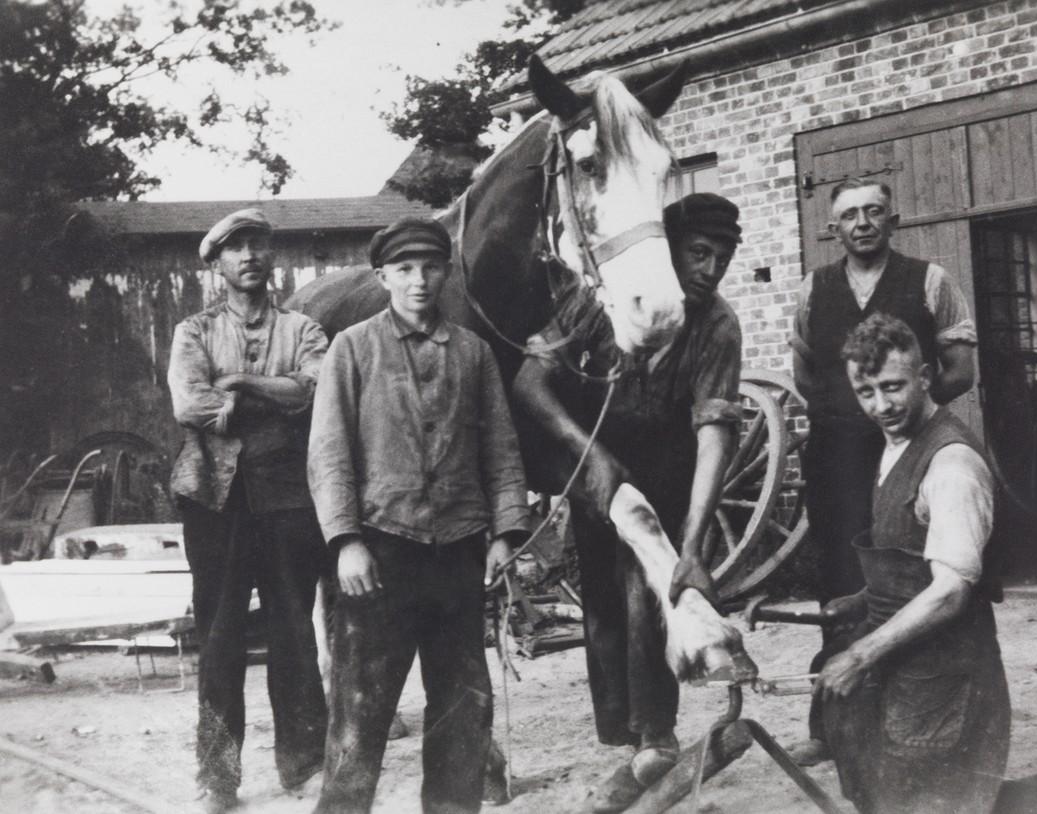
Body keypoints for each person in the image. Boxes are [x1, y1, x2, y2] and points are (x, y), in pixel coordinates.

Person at [814, 313, 1037, 814]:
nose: (881, 405)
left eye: (893, 387)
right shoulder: (894, 448)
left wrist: (861, 654)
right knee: (916, 796)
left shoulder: (951, 466)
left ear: (926, 376)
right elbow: (912, 562)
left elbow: (950, 589)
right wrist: (863, 598)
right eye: (865, 392)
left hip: (950, 676)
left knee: (928, 800)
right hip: (905, 665)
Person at [511, 192, 743, 813]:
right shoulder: (597, 303)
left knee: (649, 596)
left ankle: (655, 735)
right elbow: (530, 382)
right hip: (598, 476)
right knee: (604, 608)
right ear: (668, 251)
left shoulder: (717, 325)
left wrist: (692, 549)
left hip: (667, 479)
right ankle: (621, 733)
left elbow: (715, 432)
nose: (709, 269)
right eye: (698, 253)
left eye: (722, 258)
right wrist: (585, 451)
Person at [307, 216, 531, 814]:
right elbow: (328, 455)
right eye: (404, 270)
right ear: (382, 277)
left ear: (445, 273)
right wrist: (345, 541)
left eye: (431, 268)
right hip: (380, 554)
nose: (419, 281)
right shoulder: (352, 350)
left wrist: (505, 533)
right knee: (361, 709)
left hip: (458, 552)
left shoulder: (474, 354)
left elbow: (502, 451)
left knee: (463, 703)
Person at [167, 208, 329, 813]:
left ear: (272, 255)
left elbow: (316, 390)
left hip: (290, 495)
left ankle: (304, 766)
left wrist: (239, 382)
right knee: (219, 637)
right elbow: (192, 404)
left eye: (258, 244)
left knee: (295, 632)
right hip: (216, 497)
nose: (250, 256)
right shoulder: (193, 331)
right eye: (236, 249)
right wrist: (271, 394)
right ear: (217, 264)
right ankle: (217, 777)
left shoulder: (305, 329)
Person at [790, 177, 978, 609]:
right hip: (835, 453)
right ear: (833, 228)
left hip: (909, 449)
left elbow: (961, 373)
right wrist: (846, 410)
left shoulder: (931, 280)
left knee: (908, 559)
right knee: (838, 565)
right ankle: (840, 660)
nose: (862, 223)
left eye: (873, 211)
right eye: (849, 215)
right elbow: (804, 374)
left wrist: (903, 417)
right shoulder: (813, 289)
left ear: (893, 221)